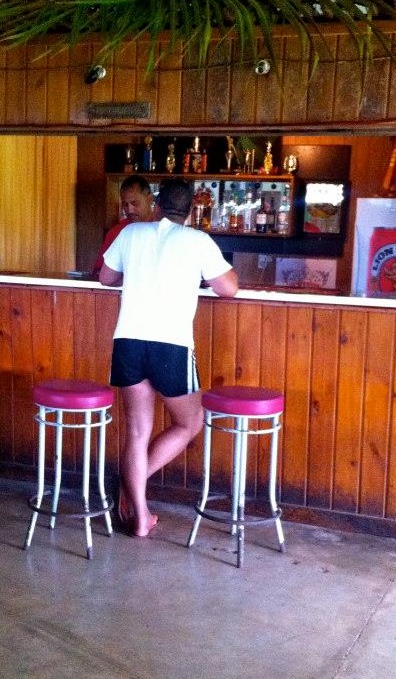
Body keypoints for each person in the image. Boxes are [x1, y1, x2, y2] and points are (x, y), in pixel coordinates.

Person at [99, 178, 239, 537]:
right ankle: (136, 484)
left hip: (129, 341)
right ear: (191, 210)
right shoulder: (198, 240)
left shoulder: (132, 234)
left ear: (157, 204)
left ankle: (140, 516)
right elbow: (229, 289)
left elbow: (106, 277)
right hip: (171, 346)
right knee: (190, 423)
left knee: (137, 431)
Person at [92, 174, 155, 275]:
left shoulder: (163, 229)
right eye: (125, 205)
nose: (130, 210)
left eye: (135, 203)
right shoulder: (116, 232)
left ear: (150, 199)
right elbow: (99, 272)